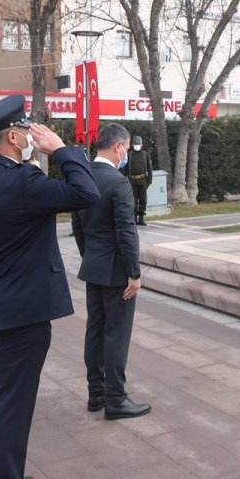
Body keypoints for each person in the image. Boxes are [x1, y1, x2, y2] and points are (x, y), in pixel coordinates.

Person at [0, 95, 99, 479]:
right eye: (24, 131)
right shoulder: (25, 182)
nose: (29, 137)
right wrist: (61, 150)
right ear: (11, 136)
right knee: (14, 403)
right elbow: (87, 194)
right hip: (24, 311)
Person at [71, 123, 150, 420]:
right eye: (126, 150)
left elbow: (78, 226)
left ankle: (97, 393)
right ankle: (116, 398)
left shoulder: (82, 176)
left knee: (95, 331)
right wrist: (134, 272)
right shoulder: (118, 183)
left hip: (94, 267)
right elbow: (126, 232)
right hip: (117, 272)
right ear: (118, 146)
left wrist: (89, 255)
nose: (126, 155)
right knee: (116, 334)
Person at [120, 135, 153, 226]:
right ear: (132, 144)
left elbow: (149, 169)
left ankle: (141, 218)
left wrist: (149, 181)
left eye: (138, 144)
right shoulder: (129, 155)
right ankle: (134, 218)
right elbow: (125, 170)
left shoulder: (145, 154)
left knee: (143, 200)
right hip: (132, 181)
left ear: (142, 144)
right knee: (133, 201)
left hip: (143, 181)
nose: (137, 145)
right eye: (135, 144)